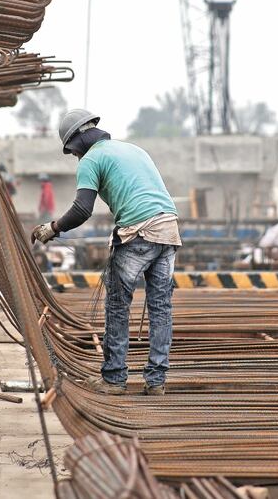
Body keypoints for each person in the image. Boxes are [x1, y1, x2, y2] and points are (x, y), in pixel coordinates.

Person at [31, 109, 181, 396]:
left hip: (138, 231)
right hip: (169, 228)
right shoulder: (133, 149)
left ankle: (114, 379)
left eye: (73, 153)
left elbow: (81, 209)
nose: (76, 158)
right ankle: (156, 381)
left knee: (117, 305)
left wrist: (53, 228)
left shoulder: (91, 159)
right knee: (160, 307)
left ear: (76, 143)